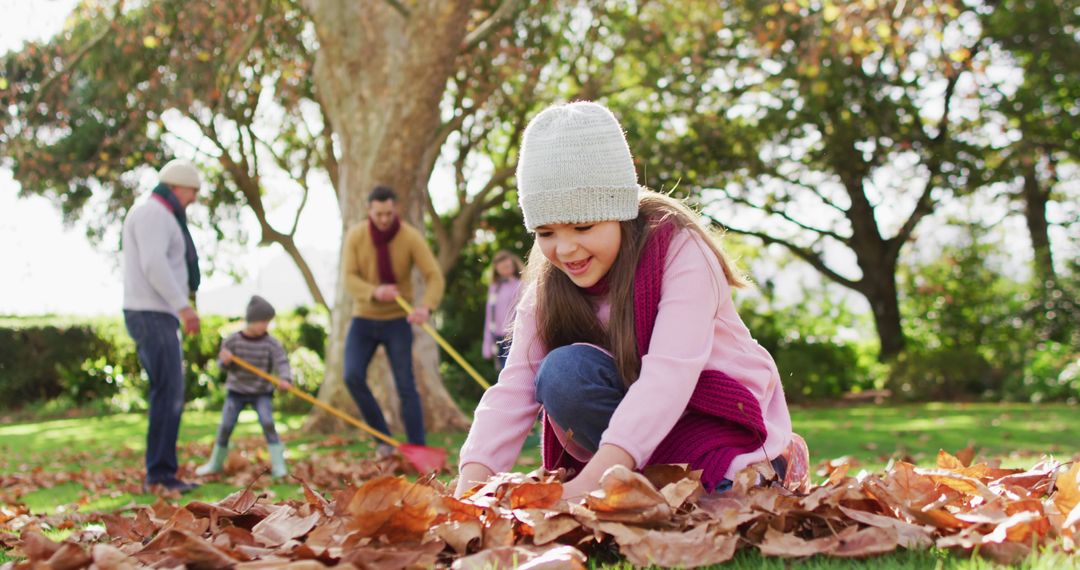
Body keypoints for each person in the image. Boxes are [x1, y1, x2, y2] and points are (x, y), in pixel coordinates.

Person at [457, 102, 809, 499]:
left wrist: (591, 485)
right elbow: (515, 386)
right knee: (564, 372)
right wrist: (470, 488)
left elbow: (669, 375)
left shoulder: (678, 249)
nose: (566, 248)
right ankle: (646, 482)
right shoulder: (551, 281)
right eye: (545, 232)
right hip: (634, 423)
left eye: (583, 226)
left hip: (715, 414)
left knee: (724, 495)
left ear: (619, 211)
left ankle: (767, 464)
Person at [341, 185, 445, 453]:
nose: (384, 219)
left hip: (398, 320)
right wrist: (375, 291)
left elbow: (433, 275)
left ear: (395, 209)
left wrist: (425, 307)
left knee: (405, 385)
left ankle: (418, 449)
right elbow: (348, 279)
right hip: (364, 318)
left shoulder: (410, 236)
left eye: (388, 213)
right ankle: (384, 441)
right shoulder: (356, 235)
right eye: (378, 214)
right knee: (351, 375)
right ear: (369, 211)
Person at [122, 158, 203, 494]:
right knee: (168, 394)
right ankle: (159, 475)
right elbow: (154, 265)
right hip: (152, 312)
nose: (194, 201)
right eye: (193, 193)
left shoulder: (156, 214)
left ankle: (161, 472)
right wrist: (184, 308)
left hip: (155, 313)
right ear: (179, 187)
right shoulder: (154, 214)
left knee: (167, 392)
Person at [196, 295, 292, 478]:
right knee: (226, 425)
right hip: (236, 392)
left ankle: (279, 466)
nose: (266, 326)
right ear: (252, 320)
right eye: (263, 321)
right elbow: (222, 366)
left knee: (268, 422)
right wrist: (224, 362)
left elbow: (282, 362)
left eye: (268, 322)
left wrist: (285, 378)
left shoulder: (271, 343)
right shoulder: (232, 341)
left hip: (261, 392)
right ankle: (215, 463)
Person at [482, 250, 524, 372]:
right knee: (502, 371)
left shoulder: (521, 285)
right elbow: (490, 316)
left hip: (515, 337)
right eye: (501, 267)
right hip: (499, 338)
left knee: (513, 371)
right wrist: (487, 343)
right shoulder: (494, 288)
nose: (505, 269)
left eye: (507, 266)